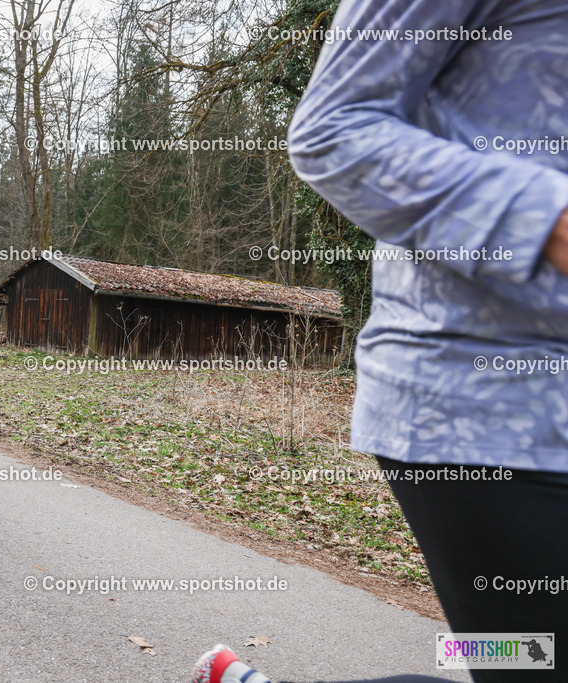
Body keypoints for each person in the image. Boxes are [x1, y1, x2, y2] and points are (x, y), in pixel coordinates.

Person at [195, 0, 568, 681]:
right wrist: (545, 220)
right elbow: (331, 129)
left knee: (523, 657)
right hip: (482, 408)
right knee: (533, 658)